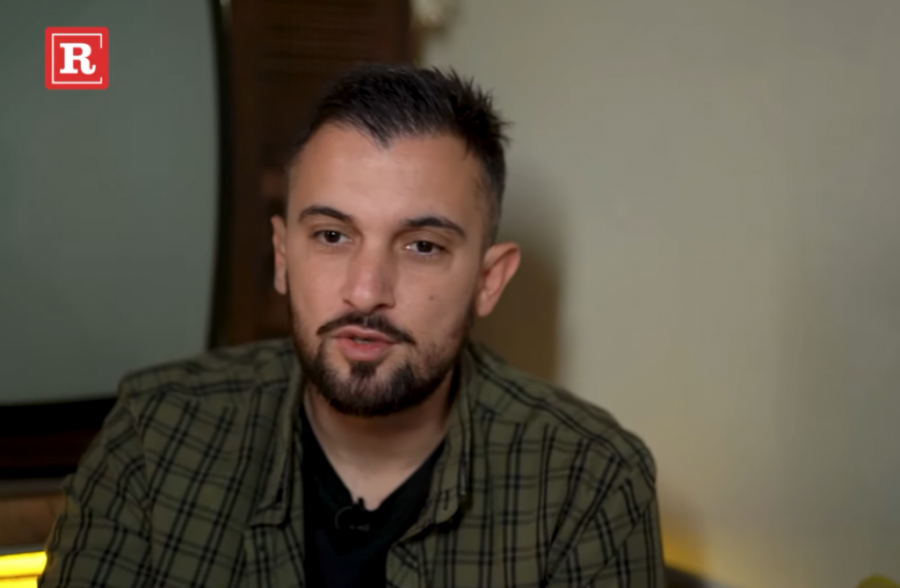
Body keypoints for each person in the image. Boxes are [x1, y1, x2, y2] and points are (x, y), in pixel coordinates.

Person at [40, 64, 664, 588]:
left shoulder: (587, 481)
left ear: (488, 280)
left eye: (422, 246)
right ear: (283, 256)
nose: (366, 292)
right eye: (332, 236)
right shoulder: (156, 434)